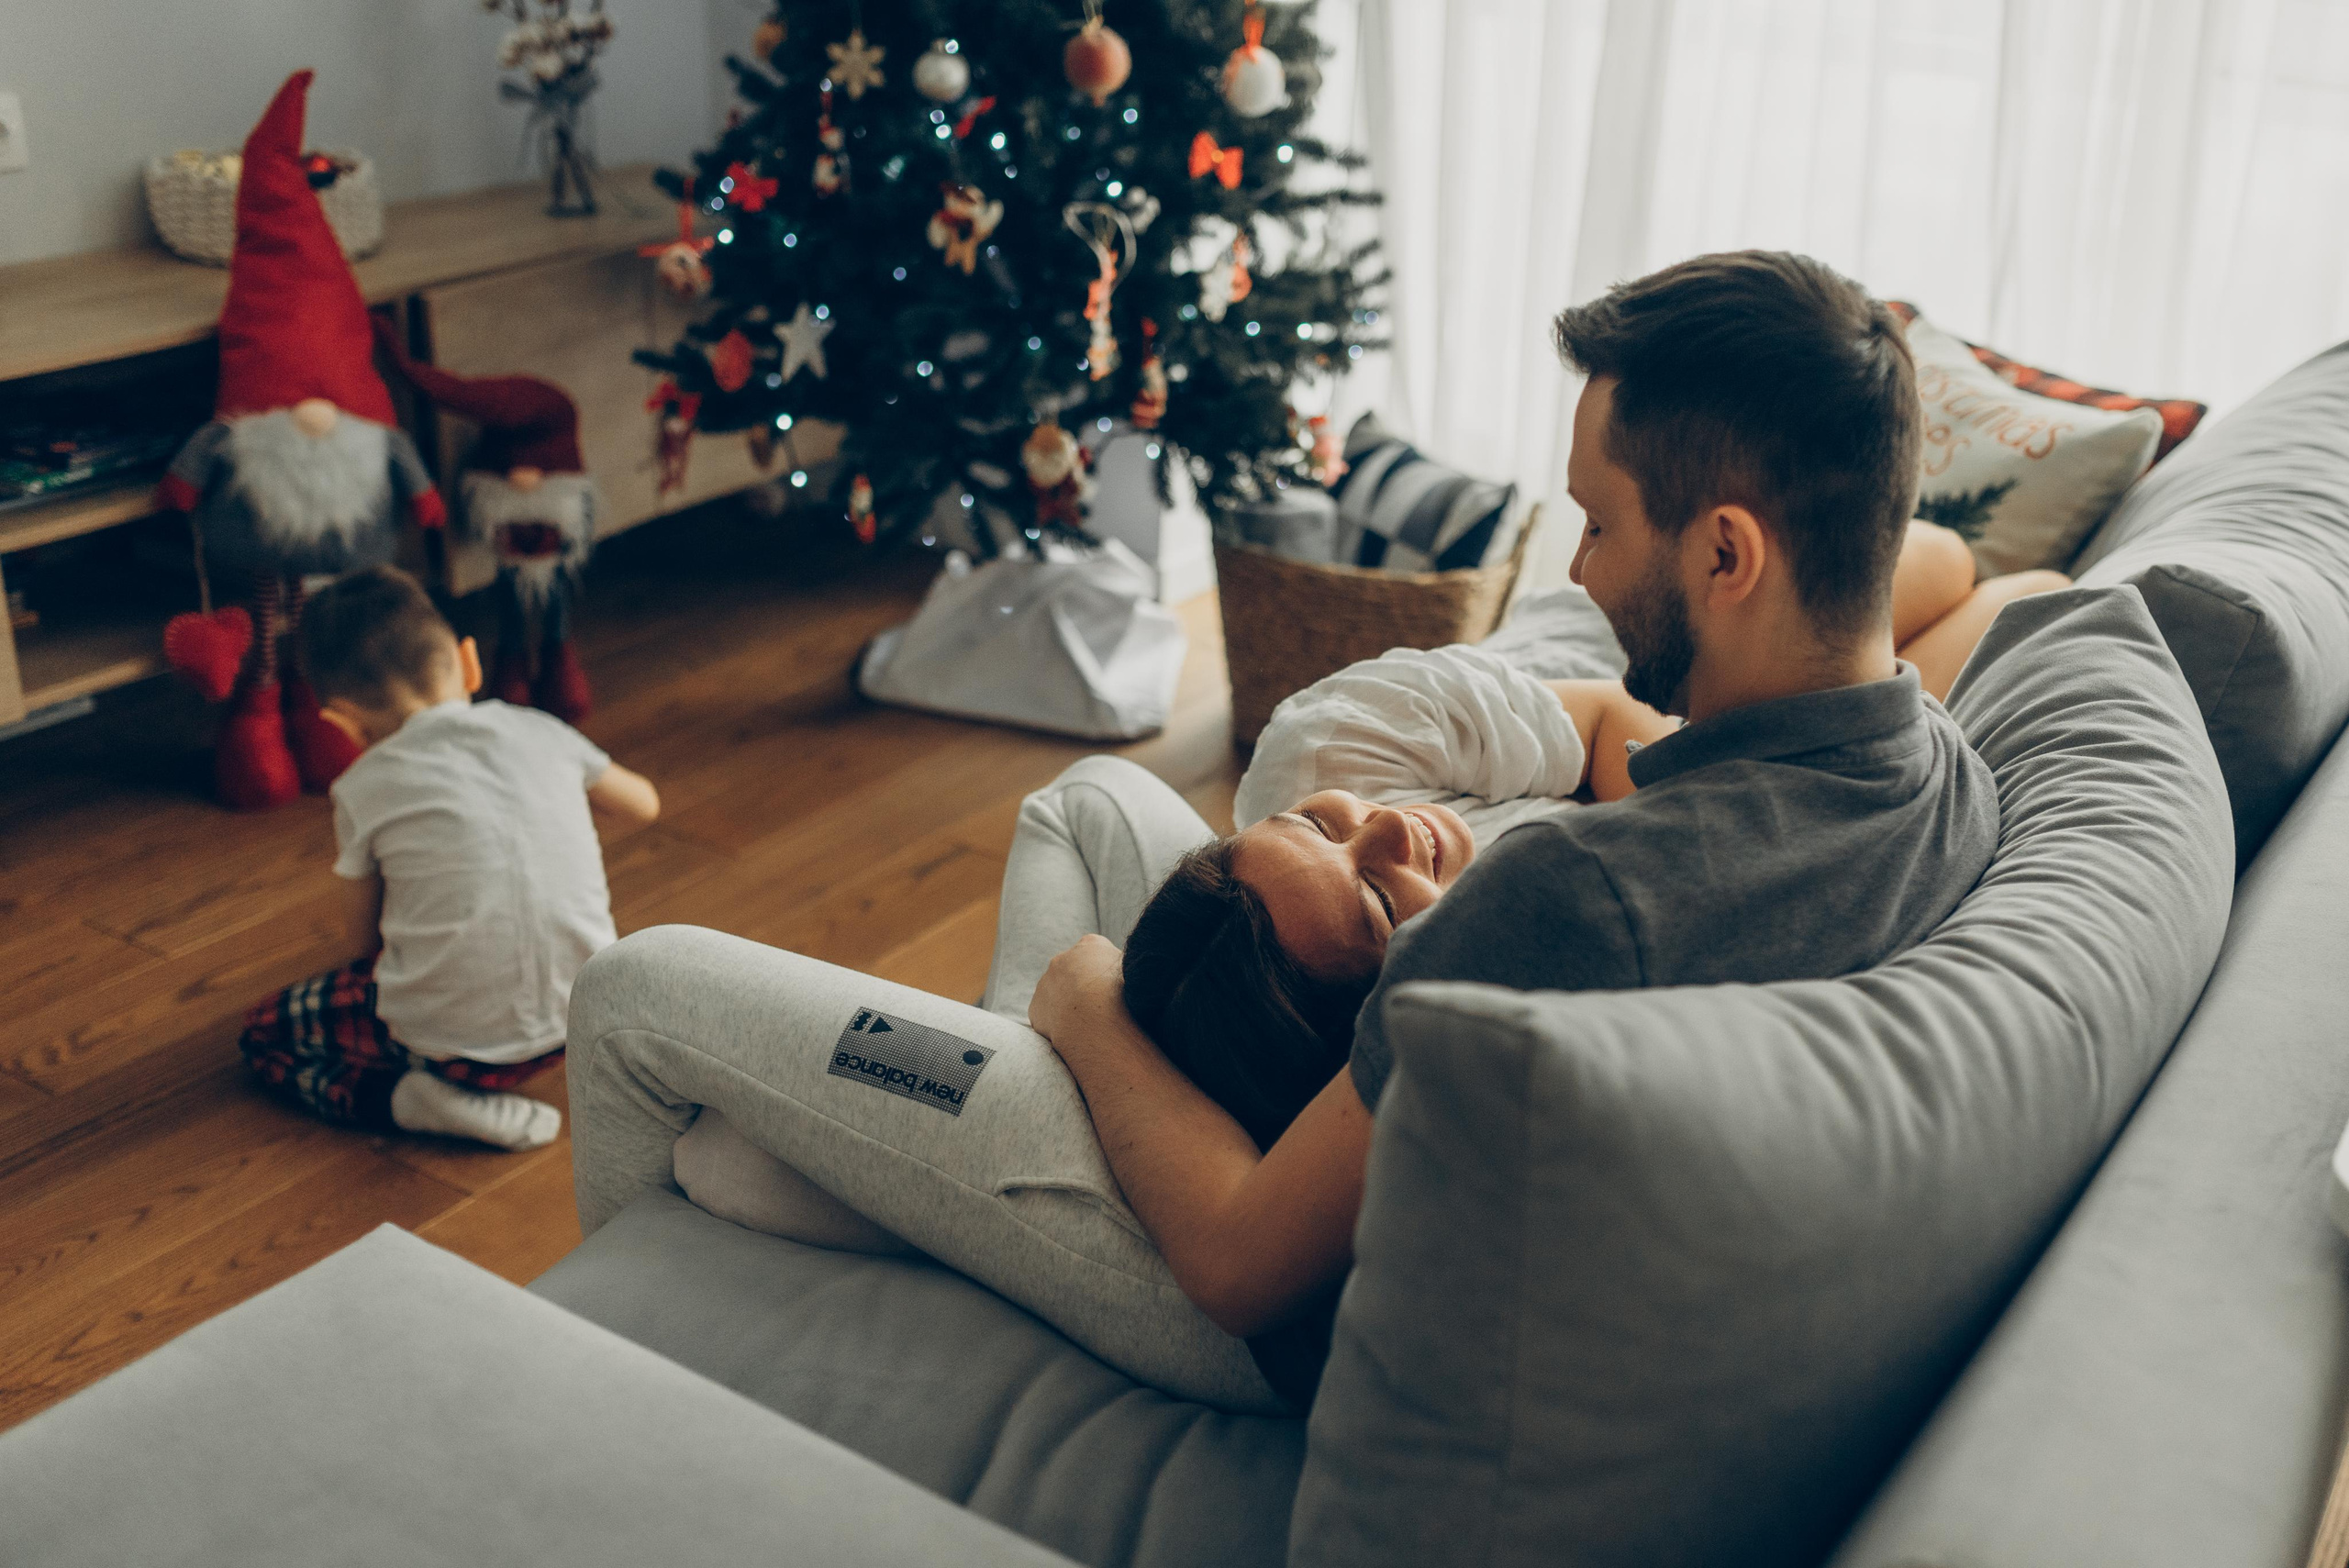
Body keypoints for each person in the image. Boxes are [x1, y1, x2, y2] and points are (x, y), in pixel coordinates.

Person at [1025, 250, 2009, 1407]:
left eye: (1597, 524)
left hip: (1300, 1353)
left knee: (1075, 831)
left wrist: (1081, 1000)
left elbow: (1238, 1262)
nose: (1581, 572)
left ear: (1725, 553)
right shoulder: (1947, 773)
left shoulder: (1570, 899)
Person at [1117, 519, 2061, 1153]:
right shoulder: (1471, 990)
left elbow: (1613, 721)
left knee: (1943, 563)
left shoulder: (1325, 746)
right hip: (1720, 745)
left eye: (1323, 825)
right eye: (1373, 898)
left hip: (1621, 649)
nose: (1387, 832)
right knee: (2033, 593)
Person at [237, 566, 660, 1151]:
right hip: (585, 1021)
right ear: (469, 662)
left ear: (340, 722)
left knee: (263, 1034)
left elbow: (364, 946)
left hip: (448, 1049)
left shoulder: (362, 787)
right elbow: (644, 805)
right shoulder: (542, 729)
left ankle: (412, 1102)